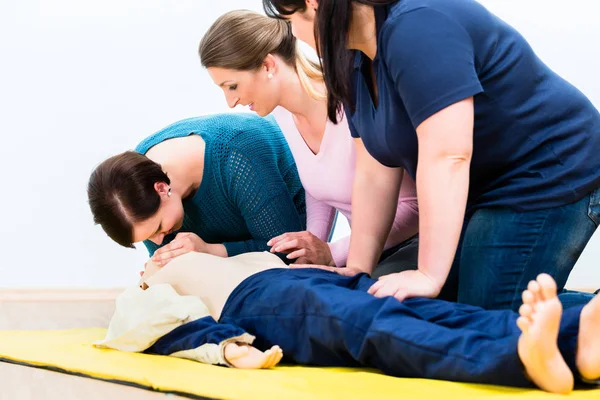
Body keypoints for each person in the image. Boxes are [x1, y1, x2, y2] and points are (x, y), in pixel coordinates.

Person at [262, 0, 600, 310]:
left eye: (290, 19)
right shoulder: (352, 59)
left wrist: (428, 274)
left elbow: (448, 156)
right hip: (482, 189)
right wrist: (358, 269)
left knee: (484, 316)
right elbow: (374, 168)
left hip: (551, 170)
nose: (292, 33)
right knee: (418, 304)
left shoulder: (416, 26)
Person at [101, 250, 600, 395]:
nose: (158, 252)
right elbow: (154, 331)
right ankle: (518, 360)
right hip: (259, 304)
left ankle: (576, 343)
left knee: (432, 312)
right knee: (381, 331)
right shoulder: (147, 285)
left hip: (315, 285)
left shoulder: (211, 255)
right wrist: (227, 346)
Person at [198, 10, 420, 278]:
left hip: (418, 243)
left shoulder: (352, 95)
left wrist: (332, 252)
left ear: (268, 66)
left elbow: (414, 206)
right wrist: (311, 246)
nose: (230, 102)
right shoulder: (283, 113)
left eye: (232, 86)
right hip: (361, 254)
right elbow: (320, 185)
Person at [87, 113, 306, 264]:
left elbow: (286, 253)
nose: (158, 242)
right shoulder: (136, 191)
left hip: (292, 221)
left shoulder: (237, 156)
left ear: (162, 189)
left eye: (157, 229)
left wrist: (210, 251)